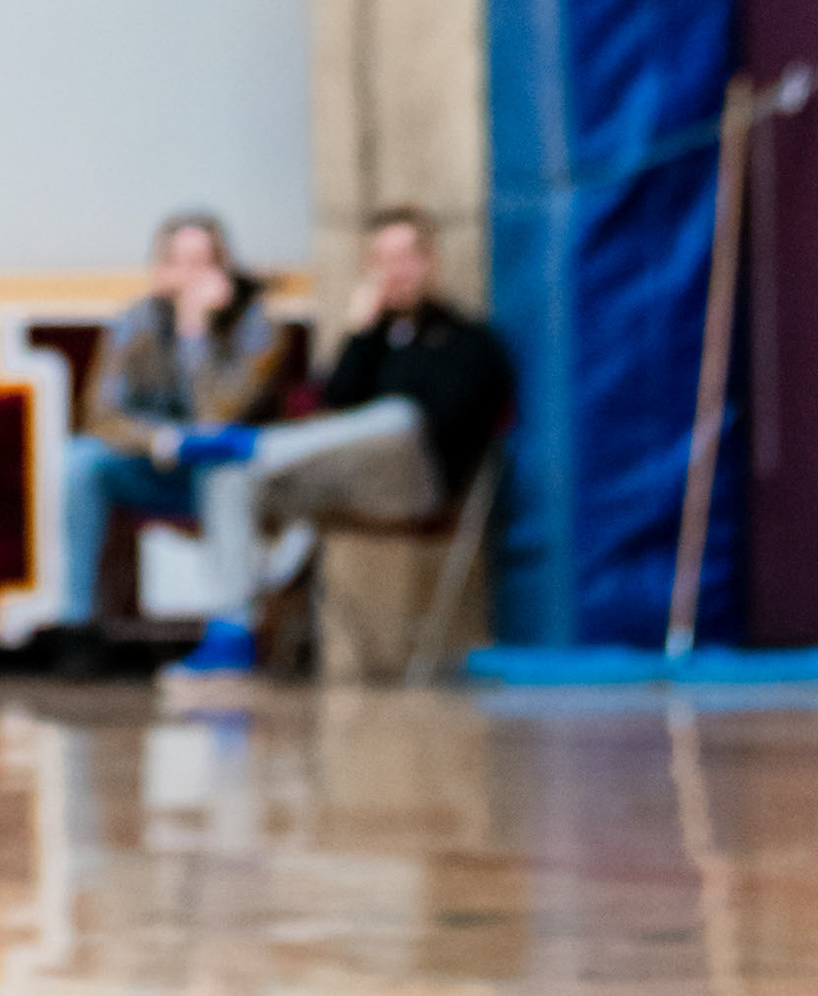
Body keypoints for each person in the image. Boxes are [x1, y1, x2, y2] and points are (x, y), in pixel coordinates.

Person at [181, 209, 514, 675]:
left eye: (407, 257)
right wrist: (362, 333)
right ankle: (232, 633)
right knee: (228, 475)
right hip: (348, 483)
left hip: (417, 486)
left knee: (399, 415)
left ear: (431, 262)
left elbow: (439, 420)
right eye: (384, 259)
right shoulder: (373, 338)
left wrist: (395, 361)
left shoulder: (468, 341)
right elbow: (336, 401)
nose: (396, 271)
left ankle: (259, 446)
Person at [56, 214, 300, 657]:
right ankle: (79, 626)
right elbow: (101, 415)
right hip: (155, 465)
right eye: (178, 262)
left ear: (225, 269)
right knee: (80, 461)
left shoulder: (258, 328)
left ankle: (232, 631)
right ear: (160, 269)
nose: (189, 276)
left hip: (230, 477)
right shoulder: (135, 321)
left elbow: (218, 416)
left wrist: (195, 333)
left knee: (222, 472)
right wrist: (160, 441)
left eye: (202, 263)